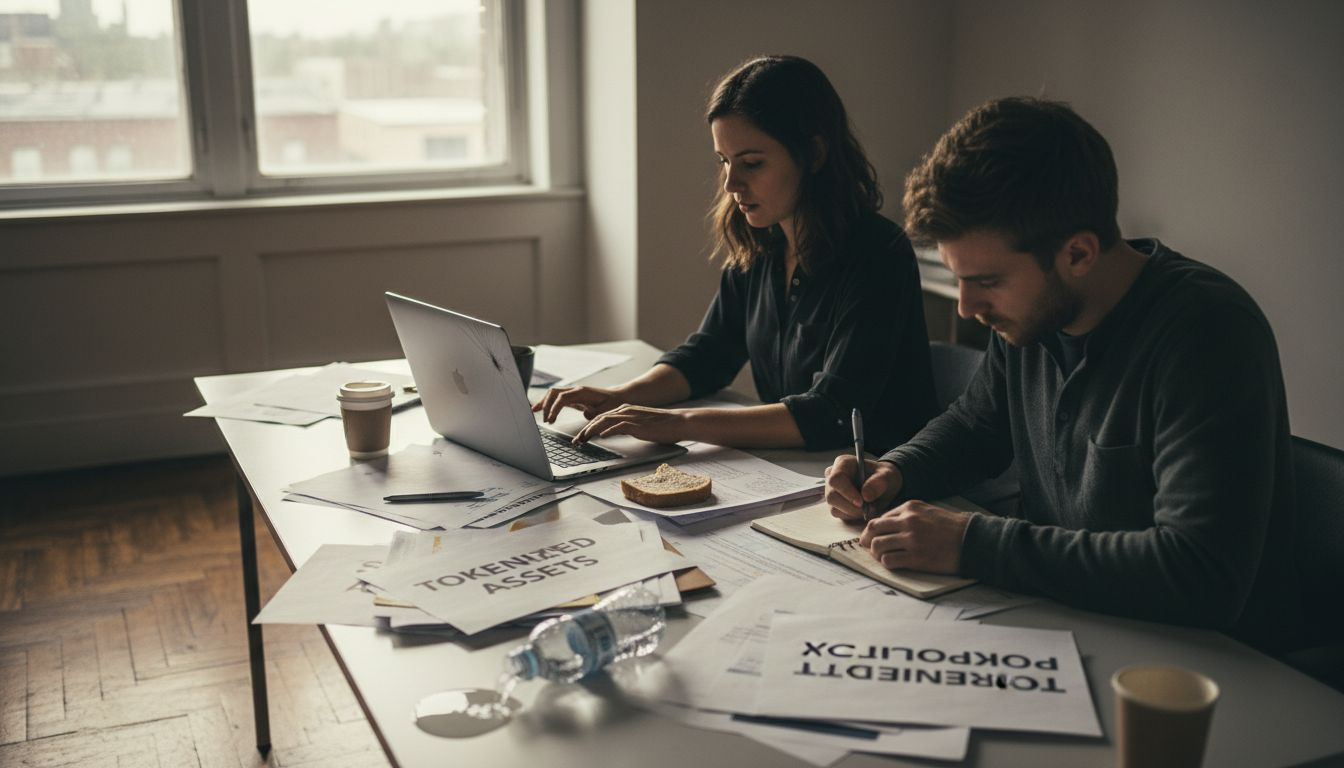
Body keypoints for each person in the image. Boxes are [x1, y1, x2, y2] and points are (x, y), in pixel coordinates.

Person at [824, 97, 1302, 652]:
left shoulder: (1208, 333)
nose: (965, 308)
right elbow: (978, 425)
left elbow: (1198, 574)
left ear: (1078, 253)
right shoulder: (1034, 316)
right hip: (1067, 623)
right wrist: (897, 471)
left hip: (1210, 664)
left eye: (987, 281)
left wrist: (972, 543)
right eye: (960, 279)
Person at [534, 55, 937, 453]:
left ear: (814, 154)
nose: (730, 183)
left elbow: (831, 413)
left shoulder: (878, 255)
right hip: (804, 469)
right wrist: (619, 397)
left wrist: (679, 423)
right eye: (724, 161)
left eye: (752, 163)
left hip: (879, 478)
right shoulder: (762, 244)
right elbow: (708, 355)